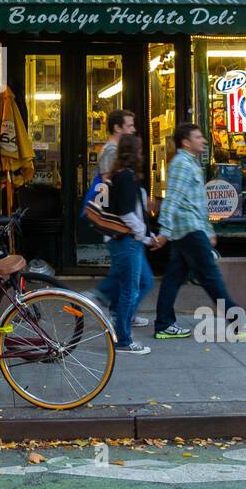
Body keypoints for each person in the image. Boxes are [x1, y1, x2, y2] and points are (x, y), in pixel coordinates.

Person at [153, 123, 246, 339]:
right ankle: (239, 321)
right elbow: (173, 199)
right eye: (198, 137)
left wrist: (208, 229)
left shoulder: (189, 163)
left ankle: (164, 324)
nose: (203, 140)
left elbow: (196, 202)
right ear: (186, 142)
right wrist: (165, 230)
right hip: (188, 230)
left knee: (174, 277)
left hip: (191, 228)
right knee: (210, 276)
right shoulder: (181, 165)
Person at [89, 109, 149, 327]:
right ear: (117, 127)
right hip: (122, 229)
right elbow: (110, 188)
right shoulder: (111, 151)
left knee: (136, 277)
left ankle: (120, 311)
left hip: (127, 227)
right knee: (131, 277)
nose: (134, 129)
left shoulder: (117, 153)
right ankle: (102, 299)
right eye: (130, 125)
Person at [107, 133, 163, 354]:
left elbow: (133, 212)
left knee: (143, 282)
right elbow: (128, 214)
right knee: (129, 290)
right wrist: (144, 235)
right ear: (135, 153)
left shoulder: (122, 175)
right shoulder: (126, 177)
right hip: (128, 241)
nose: (142, 153)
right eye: (140, 149)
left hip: (130, 240)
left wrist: (146, 236)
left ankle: (121, 321)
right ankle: (123, 339)